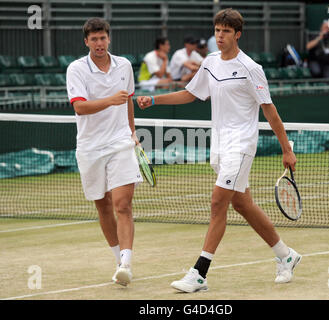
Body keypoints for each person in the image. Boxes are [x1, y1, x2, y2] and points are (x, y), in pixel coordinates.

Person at [137, 8, 302, 293]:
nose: (220, 35)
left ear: (237, 34)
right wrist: (154, 99)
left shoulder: (251, 68)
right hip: (219, 146)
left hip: (241, 146)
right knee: (242, 205)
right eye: (217, 30)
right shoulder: (211, 61)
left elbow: (270, 111)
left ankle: (199, 273)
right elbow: (191, 93)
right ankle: (285, 255)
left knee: (217, 203)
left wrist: (286, 149)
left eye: (226, 31)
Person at [66, 17, 143, 287]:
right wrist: (111, 100)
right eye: (94, 39)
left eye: (103, 38)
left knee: (122, 204)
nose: (99, 43)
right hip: (90, 146)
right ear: (86, 42)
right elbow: (80, 107)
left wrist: (132, 132)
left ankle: (126, 263)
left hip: (121, 142)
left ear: (109, 39)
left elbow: (129, 100)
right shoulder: (76, 69)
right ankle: (117, 259)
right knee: (102, 204)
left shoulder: (124, 65)